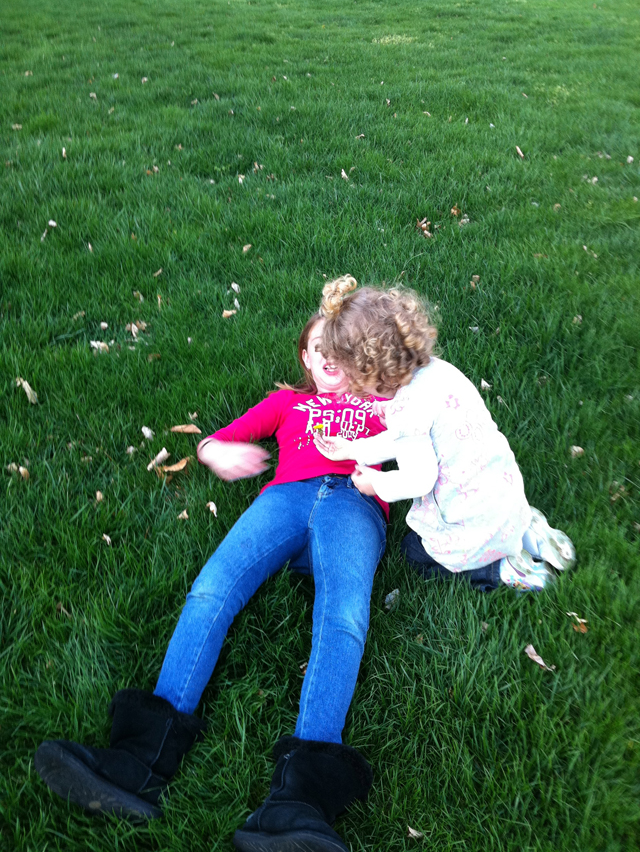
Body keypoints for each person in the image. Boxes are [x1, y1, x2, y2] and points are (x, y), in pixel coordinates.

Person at [35, 313, 389, 852]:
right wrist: (216, 451)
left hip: (354, 506)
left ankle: (300, 802)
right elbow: (215, 441)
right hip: (284, 500)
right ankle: (141, 761)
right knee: (211, 590)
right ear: (305, 357)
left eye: (341, 345)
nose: (329, 355)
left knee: (342, 618)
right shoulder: (289, 403)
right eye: (319, 346)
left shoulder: (383, 405)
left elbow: (429, 438)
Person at [314, 276, 575, 592]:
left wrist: (377, 483)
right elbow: (406, 439)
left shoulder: (406, 407)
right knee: (499, 520)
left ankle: (502, 569)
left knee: (414, 552)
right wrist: (353, 449)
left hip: (473, 521)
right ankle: (529, 533)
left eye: (354, 376)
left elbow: (419, 480)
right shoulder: (438, 371)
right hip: (503, 496)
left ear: (370, 371)